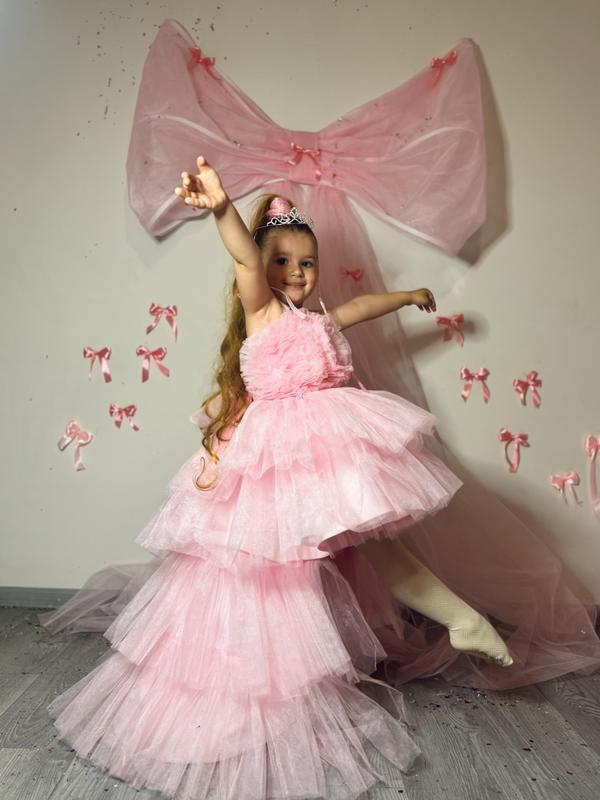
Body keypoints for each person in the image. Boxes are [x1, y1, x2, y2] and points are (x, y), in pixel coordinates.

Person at [41, 155, 518, 800]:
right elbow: (243, 255)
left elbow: (361, 306)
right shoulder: (261, 309)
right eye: (283, 261)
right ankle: (275, 679)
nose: (297, 272)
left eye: (307, 262)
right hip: (274, 457)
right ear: (263, 270)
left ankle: (459, 618)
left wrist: (406, 297)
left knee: (373, 542)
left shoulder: (318, 319)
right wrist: (221, 208)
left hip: (323, 447)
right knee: (277, 572)